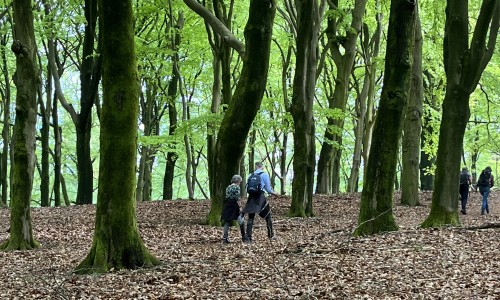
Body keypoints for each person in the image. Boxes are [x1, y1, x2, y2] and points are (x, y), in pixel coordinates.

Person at [242, 161, 280, 242]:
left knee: (250, 217)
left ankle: (248, 238)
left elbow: (246, 188)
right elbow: (268, 189)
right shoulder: (265, 175)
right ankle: (271, 235)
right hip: (260, 197)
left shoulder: (250, 175)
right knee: (268, 216)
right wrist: (275, 193)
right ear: (262, 167)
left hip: (251, 198)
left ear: (256, 166)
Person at [220, 175, 245, 244]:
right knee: (241, 220)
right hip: (234, 205)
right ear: (237, 181)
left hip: (227, 204)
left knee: (227, 221)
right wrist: (240, 207)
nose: (240, 183)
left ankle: (225, 239)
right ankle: (244, 237)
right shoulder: (237, 187)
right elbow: (237, 198)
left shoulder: (228, 187)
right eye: (240, 181)